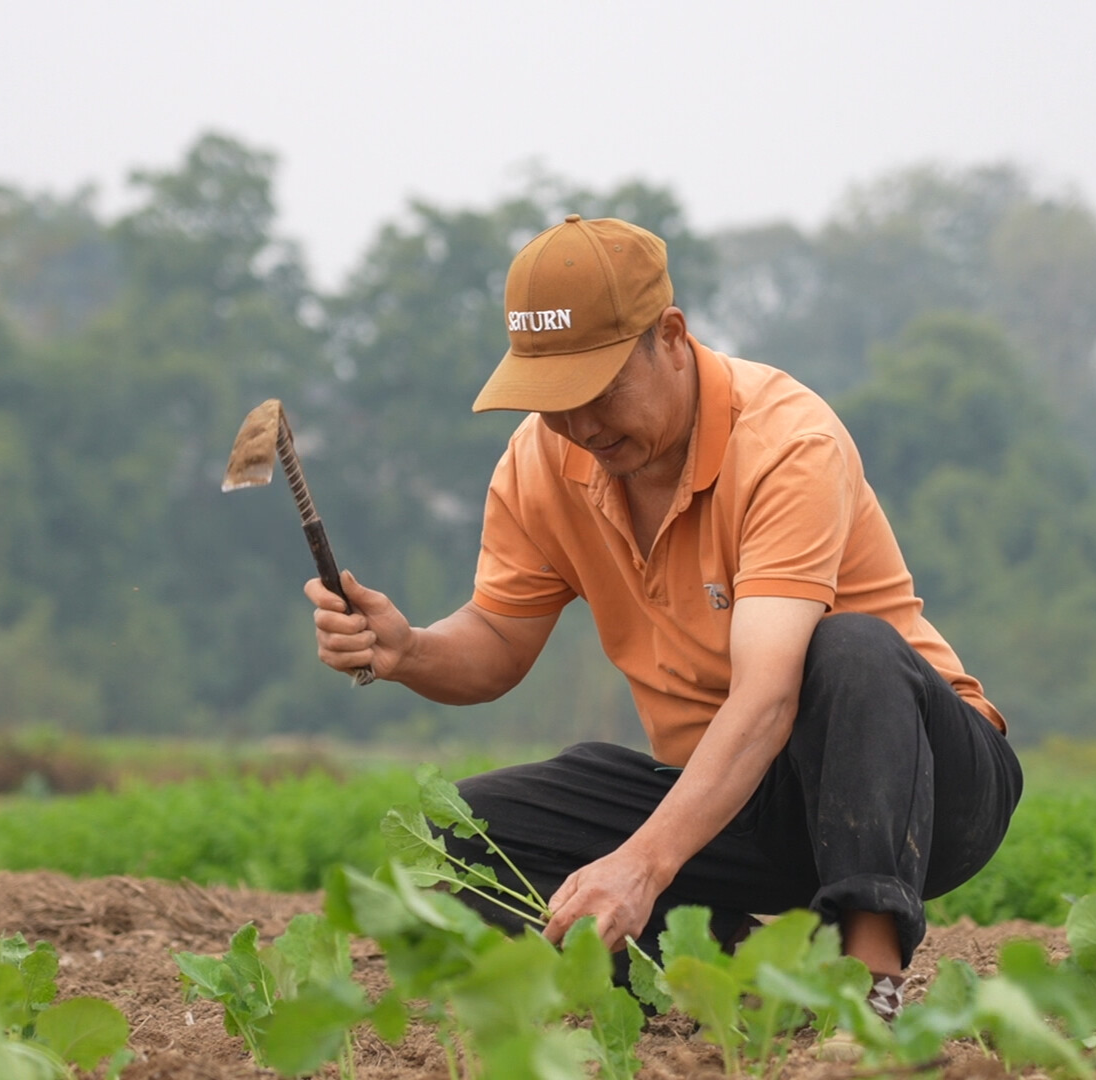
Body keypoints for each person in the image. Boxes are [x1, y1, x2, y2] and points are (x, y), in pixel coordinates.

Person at [306, 214, 1023, 1016]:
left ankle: (871, 985)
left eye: (599, 391)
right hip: (728, 799)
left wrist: (642, 866)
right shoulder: (542, 463)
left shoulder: (786, 441)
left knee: (849, 646)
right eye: (553, 401)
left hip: (914, 784)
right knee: (466, 838)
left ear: (670, 336)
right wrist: (407, 649)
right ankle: (750, 980)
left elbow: (768, 697)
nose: (579, 426)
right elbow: (500, 642)